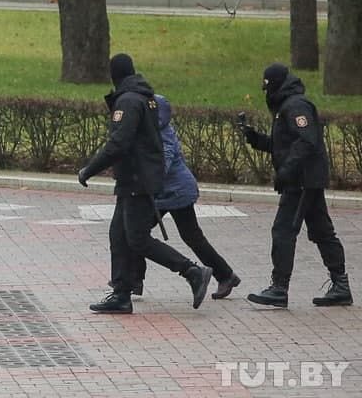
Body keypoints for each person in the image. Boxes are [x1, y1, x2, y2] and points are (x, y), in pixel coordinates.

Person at [78, 54, 213, 314]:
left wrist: (89, 170)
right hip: (138, 177)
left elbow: (119, 142)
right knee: (118, 235)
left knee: (138, 239)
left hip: (136, 179)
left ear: (114, 75)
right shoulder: (144, 97)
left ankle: (192, 271)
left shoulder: (128, 101)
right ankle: (121, 294)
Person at [240, 63, 352, 308]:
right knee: (322, 231)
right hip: (306, 179)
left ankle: (279, 288)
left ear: (276, 85)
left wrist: (286, 171)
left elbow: (307, 141)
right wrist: (257, 139)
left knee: (283, 231)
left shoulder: (295, 106)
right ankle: (341, 285)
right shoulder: (286, 106)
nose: (266, 93)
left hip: (301, 180)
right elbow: (285, 145)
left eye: (267, 87)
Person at [124, 94, 240, 300]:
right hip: (162, 192)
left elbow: (163, 163)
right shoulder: (151, 132)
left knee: (188, 237)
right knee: (136, 233)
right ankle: (134, 279)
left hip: (177, 192)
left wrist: (142, 175)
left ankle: (225, 275)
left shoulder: (161, 134)